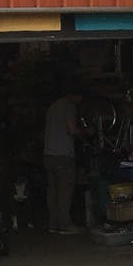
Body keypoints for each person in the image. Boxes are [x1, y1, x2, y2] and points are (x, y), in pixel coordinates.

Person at [44, 87, 84, 234]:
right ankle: (65, 224)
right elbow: (72, 130)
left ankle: (53, 223)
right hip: (63, 154)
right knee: (65, 190)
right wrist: (85, 132)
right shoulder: (69, 106)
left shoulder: (53, 106)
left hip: (48, 153)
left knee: (53, 190)